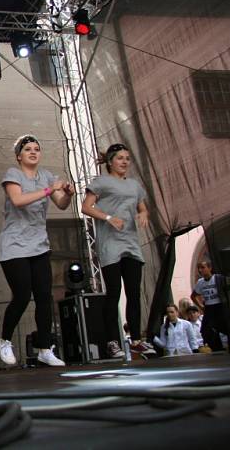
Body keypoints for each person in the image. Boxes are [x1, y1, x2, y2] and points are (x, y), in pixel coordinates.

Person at [0, 135, 71, 368]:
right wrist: (50, 190)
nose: (33, 152)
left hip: (39, 245)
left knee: (44, 298)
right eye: (27, 149)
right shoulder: (13, 174)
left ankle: (45, 349)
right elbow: (18, 200)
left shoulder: (47, 176)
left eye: (37, 149)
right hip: (14, 246)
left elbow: (62, 203)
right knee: (21, 295)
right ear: (19, 155)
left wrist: (67, 192)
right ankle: (5, 340)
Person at [81, 143, 154, 359]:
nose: (124, 162)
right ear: (111, 161)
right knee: (113, 293)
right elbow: (86, 207)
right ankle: (113, 342)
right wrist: (109, 218)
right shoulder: (101, 182)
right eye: (120, 158)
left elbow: (142, 208)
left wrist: (144, 215)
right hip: (110, 244)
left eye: (127, 158)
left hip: (131, 243)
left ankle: (137, 340)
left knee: (133, 292)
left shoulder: (134, 185)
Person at [191, 258, 230, 352]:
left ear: (210, 268)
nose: (200, 270)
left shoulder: (218, 278)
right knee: (206, 330)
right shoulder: (200, 282)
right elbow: (193, 296)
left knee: (225, 327)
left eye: (203, 267)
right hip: (209, 307)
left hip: (220, 306)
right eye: (199, 268)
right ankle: (217, 348)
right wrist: (201, 306)